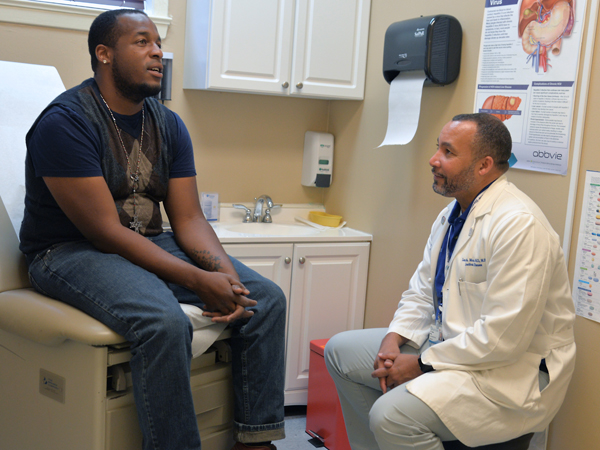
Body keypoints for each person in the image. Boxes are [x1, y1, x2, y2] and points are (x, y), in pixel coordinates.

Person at [19, 8, 285, 450]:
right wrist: (197, 279)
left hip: (145, 239)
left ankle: (256, 441)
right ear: (104, 54)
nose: (158, 52)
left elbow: (189, 219)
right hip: (68, 251)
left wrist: (228, 280)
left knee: (266, 300)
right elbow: (105, 231)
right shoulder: (65, 122)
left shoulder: (167, 123)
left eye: (158, 43)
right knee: (161, 321)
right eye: (142, 42)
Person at [325, 113, 576, 450]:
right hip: (452, 347)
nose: (433, 160)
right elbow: (421, 289)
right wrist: (392, 338)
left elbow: (503, 339)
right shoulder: (454, 213)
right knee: (340, 351)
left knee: (391, 415)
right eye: (437, 148)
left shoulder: (520, 226)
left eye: (447, 152)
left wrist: (420, 364)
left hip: (511, 374)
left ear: (484, 165)